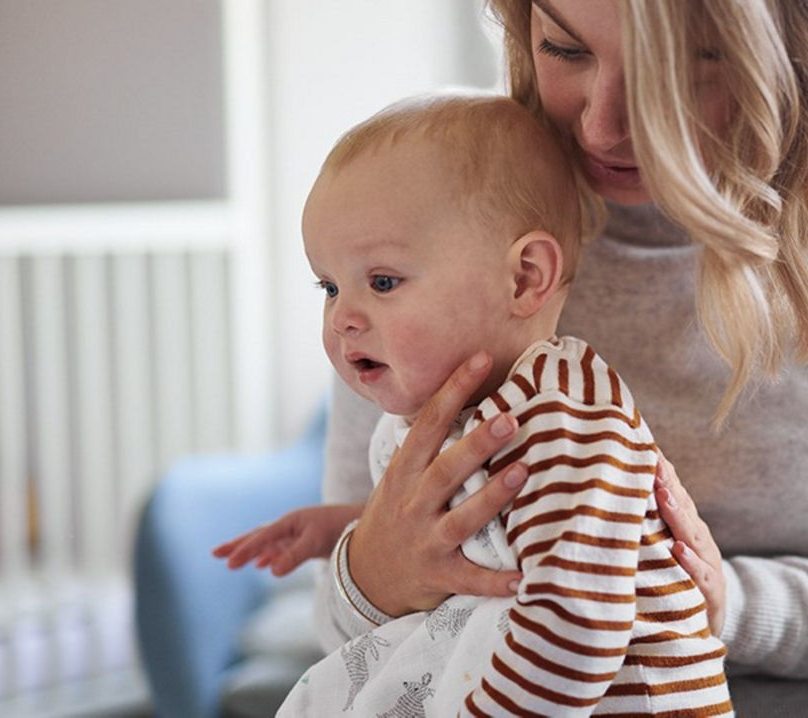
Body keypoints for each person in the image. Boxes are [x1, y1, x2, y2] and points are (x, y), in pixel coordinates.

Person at [305, 1, 808, 715]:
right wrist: (371, 575)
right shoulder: (427, 212)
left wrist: (713, 604)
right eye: (564, 48)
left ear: (803, 54)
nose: (604, 126)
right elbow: (348, 630)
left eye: (690, 66)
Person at [216, 93, 733, 715]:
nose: (343, 318)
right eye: (329, 286)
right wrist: (347, 531)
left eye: (382, 282)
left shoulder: (563, 418)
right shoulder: (463, 411)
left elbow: (580, 627)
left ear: (523, 279)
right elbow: (484, 529)